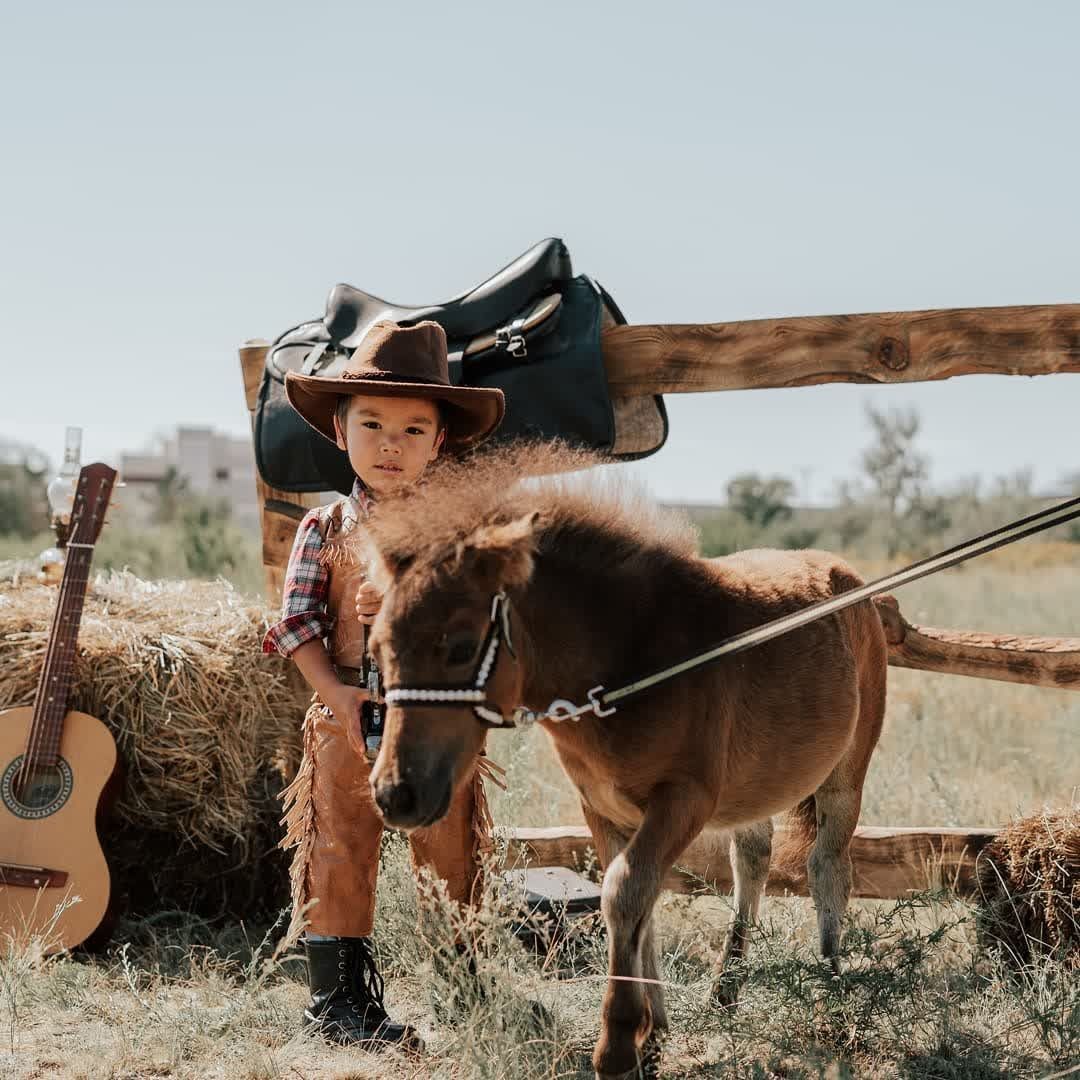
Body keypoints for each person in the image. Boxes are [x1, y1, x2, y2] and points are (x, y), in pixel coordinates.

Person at [262, 320, 506, 1048]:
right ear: (340, 433)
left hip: (432, 721)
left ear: (441, 442)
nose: (390, 444)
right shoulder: (323, 528)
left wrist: (406, 603)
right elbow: (296, 623)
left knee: (451, 845)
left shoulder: (458, 536)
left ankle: (463, 989)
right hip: (345, 714)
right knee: (338, 848)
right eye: (371, 424)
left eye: (411, 429)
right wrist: (334, 693)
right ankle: (339, 1004)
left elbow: (486, 624)